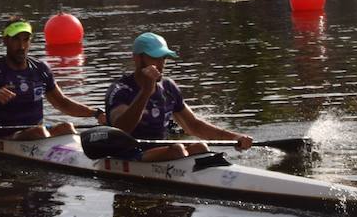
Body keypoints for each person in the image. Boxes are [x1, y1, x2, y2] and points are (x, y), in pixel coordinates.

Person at [104, 32, 253, 161]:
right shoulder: (120, 90)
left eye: (164, 58)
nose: (161, 64)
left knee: (200, 147)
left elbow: (194, 126)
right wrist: (145, 92)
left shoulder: (168, 87)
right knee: (177, 150)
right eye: (155, 58)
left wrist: (235, 138)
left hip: (161, 152)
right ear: (137, 59)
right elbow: (121, 129)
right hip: (127, 154)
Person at [0, 18, 104, 140]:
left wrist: (96, 113)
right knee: (39, 131)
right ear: (5, 41)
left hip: (36, 135)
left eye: (26, 39)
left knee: (67, 127)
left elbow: (62, 103)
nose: (22, 46)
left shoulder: (40, 69)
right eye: (16, 40)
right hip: (6, 137)